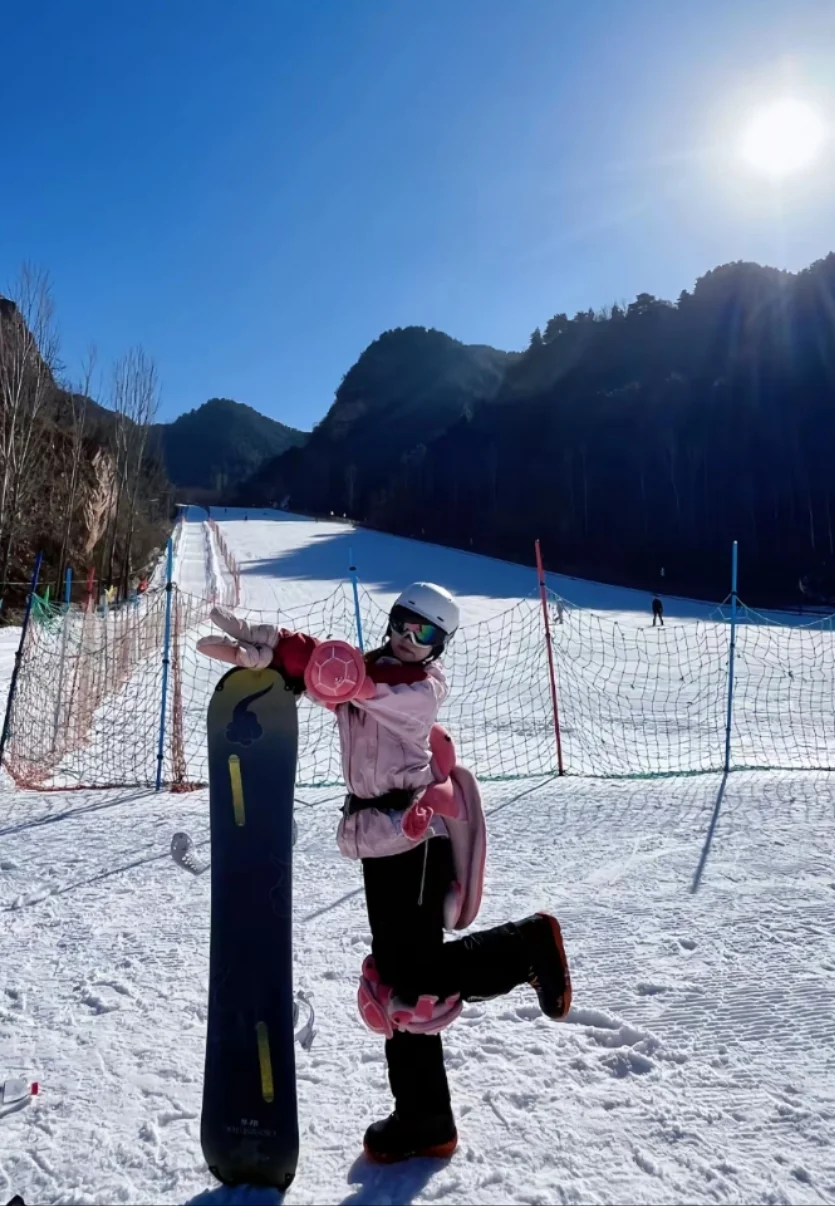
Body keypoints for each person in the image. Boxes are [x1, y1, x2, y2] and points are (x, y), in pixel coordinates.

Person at [198, 583, 571, 1164]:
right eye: (402, 622)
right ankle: (423, 1117)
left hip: (417, 836)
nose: (407, 637)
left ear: (438, 647)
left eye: (424, 634)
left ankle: (526, 947)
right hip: (379, 837)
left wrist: (318, 668)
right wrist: (278, 653)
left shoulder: (420, 690)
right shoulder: (368, 670)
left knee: (411, 982)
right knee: (399, 980)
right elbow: (336, 674)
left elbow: (358, 686)